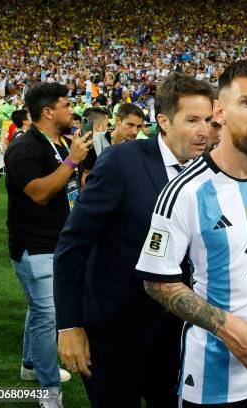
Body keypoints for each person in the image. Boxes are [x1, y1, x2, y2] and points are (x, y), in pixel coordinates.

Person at [136, 60, 247, 407]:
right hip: (212, 381)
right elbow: (156, 281)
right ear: (219, 110)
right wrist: (224, 326)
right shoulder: (185, 191)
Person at [53, 73, 213, 407]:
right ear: (164, 121)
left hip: (176, 334)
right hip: (114, 331)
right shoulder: (122, 162)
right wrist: (69, 326)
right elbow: (73, 245)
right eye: (193, 120)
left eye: (209, 120)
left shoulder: (208, 171)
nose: (204, 130)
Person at [4, 82, 93, 407]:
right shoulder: (25, 146)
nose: (73, 111)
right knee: (48, 316)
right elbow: (39, 192)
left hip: (59, 241)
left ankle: (30, 366)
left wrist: (79, 173)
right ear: (48, 111)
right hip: (35, 245)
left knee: (39, 310)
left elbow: (70, 186)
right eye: (67, 105)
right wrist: (70, 162)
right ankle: (50, 394)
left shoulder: (61, 143)